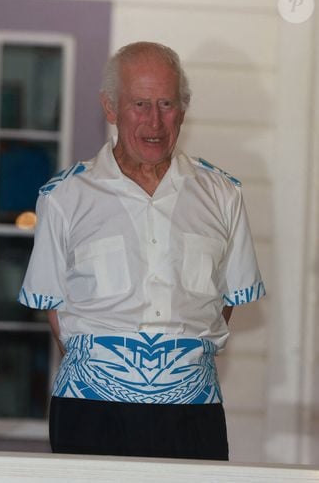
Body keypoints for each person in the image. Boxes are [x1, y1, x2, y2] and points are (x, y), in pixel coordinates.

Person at [18, 41, 265, 460]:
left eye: (167, 103)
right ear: (110, 108)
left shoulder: (224, 194)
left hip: (194, 410)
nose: (154, 120)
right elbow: (55, 309)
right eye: (140, 104)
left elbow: (227, 299)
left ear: (184, 110)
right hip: (88, 411)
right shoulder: (63, 196)